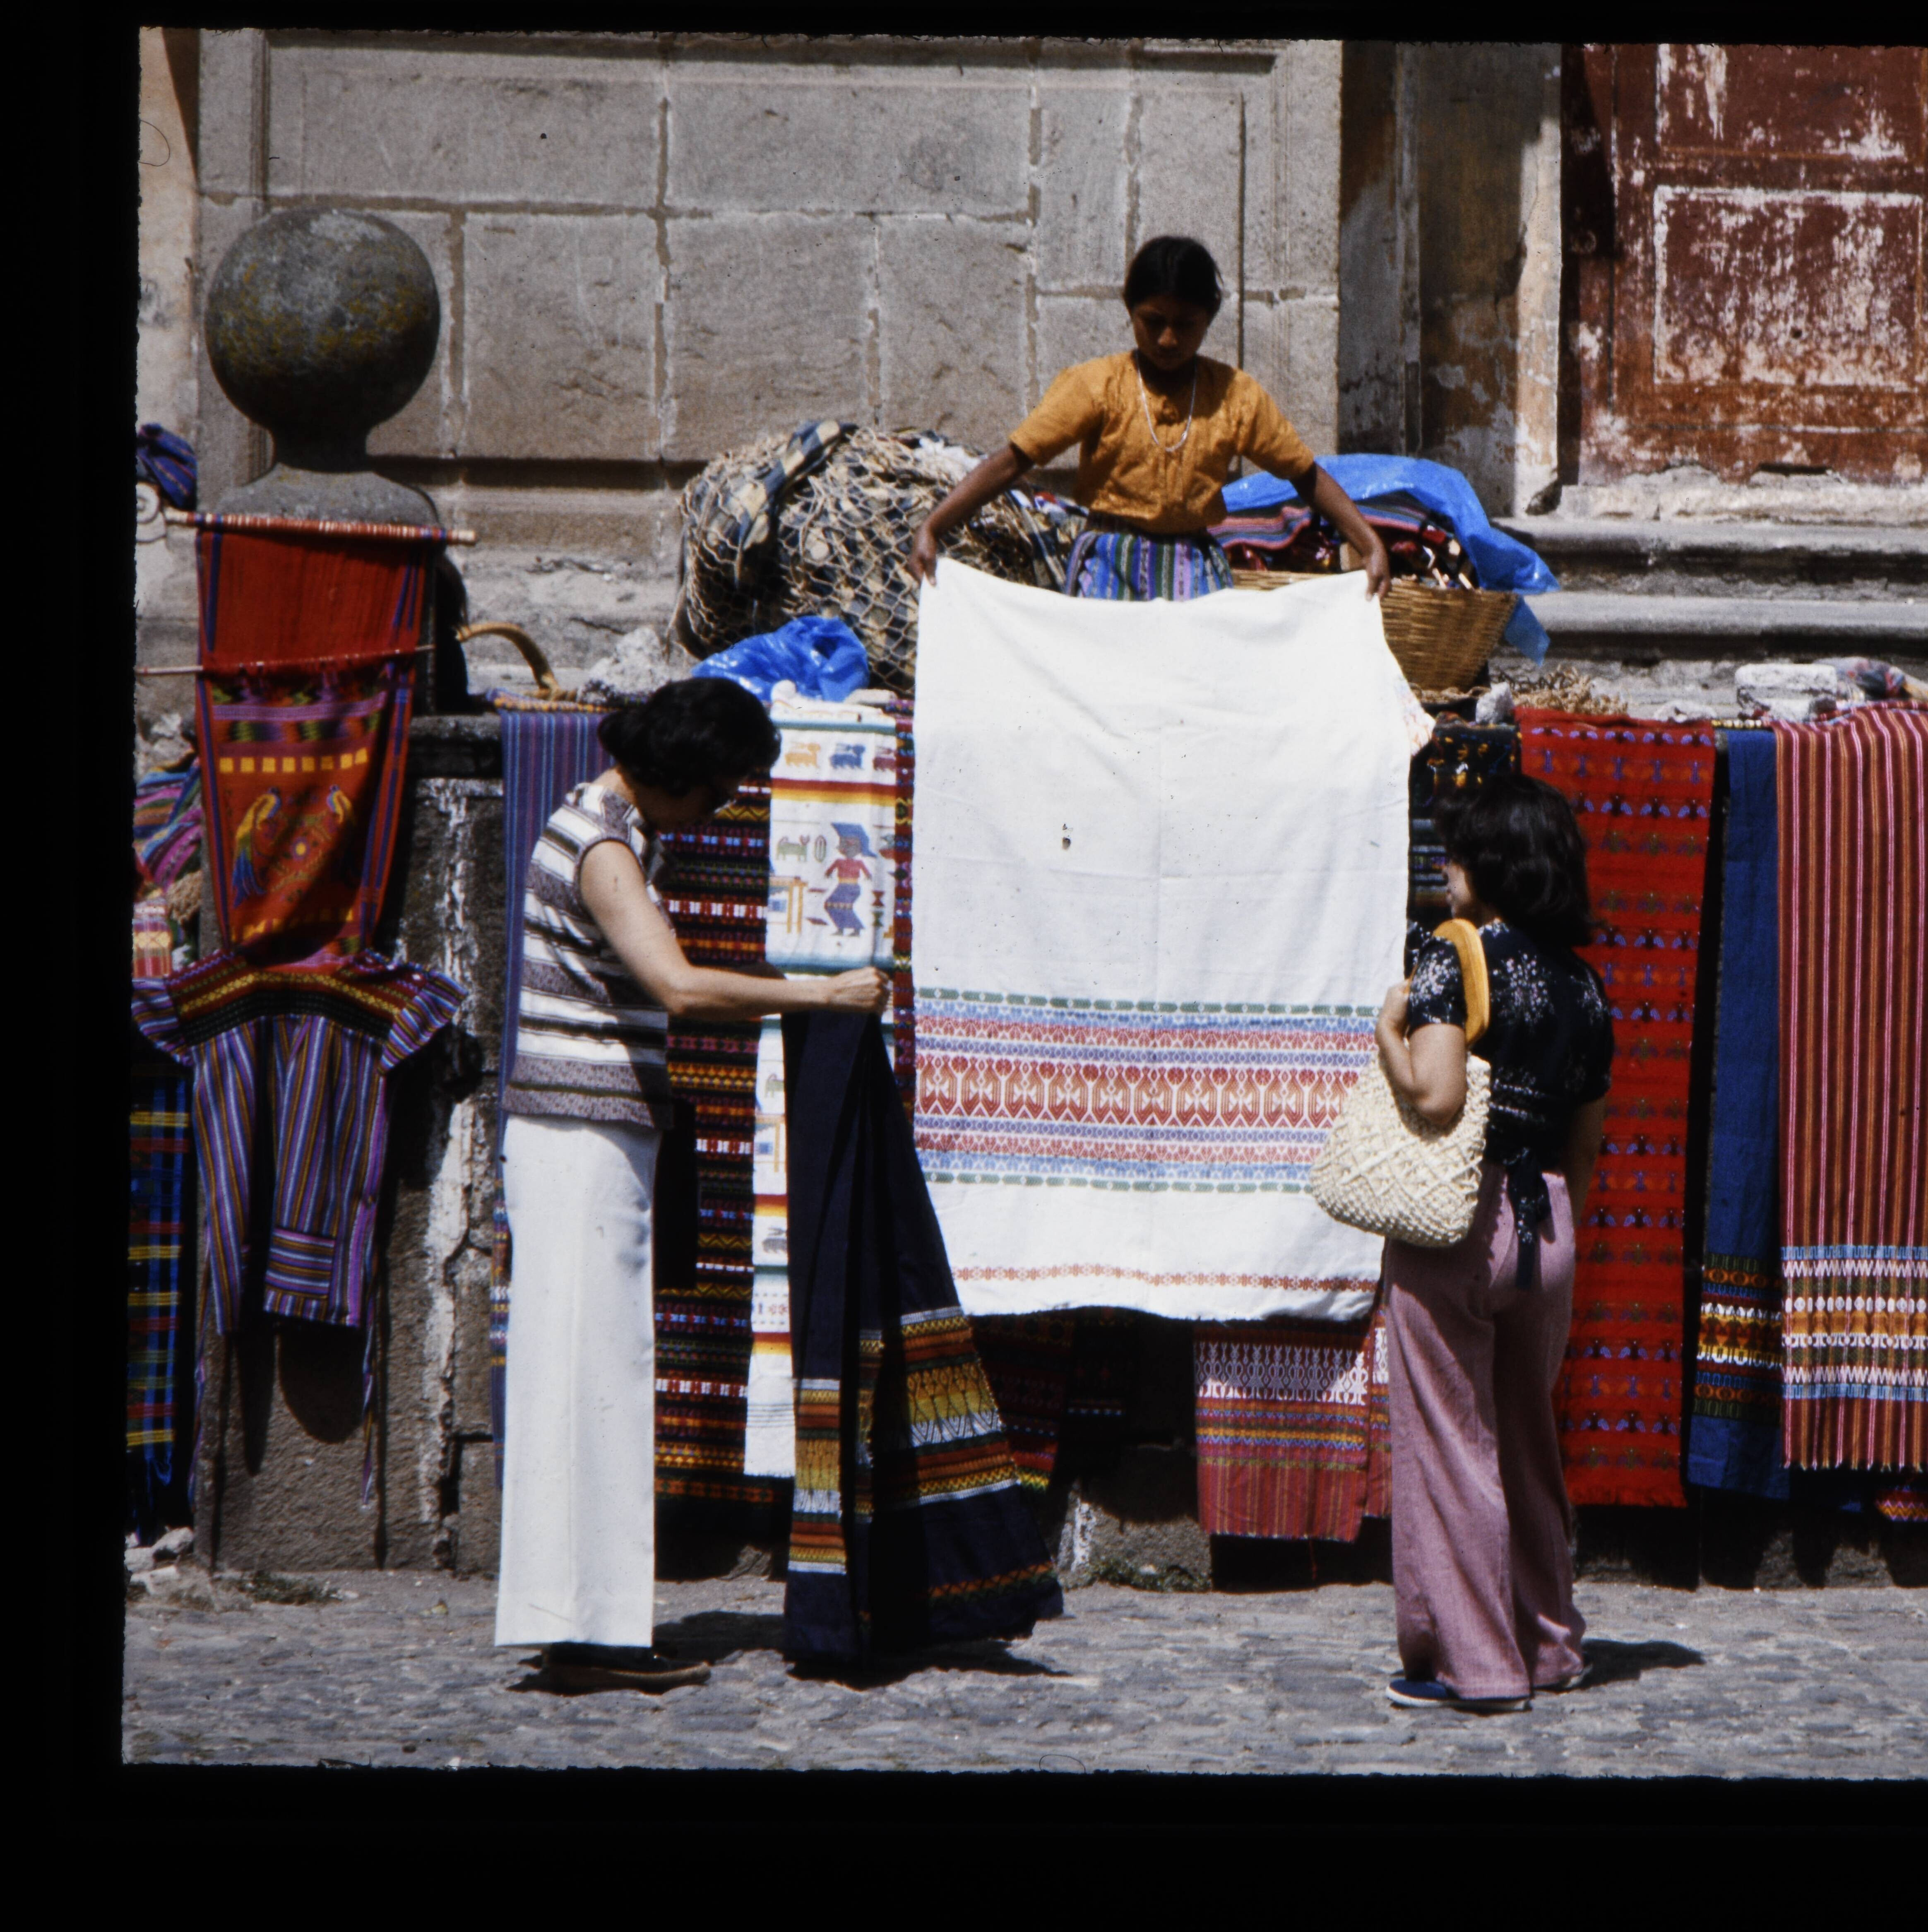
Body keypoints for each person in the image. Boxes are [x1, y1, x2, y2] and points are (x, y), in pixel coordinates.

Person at [495, 678, 889, 1693]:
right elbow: (677, 985)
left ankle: (583, 1620)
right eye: (717, 792)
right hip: (581, 1135)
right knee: (592, 1374)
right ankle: (590, 1632)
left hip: (594, 1131)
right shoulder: (604, 847)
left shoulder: (615, 828)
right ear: (676, 772)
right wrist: (821, 993)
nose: (717, 812)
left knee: (590, 1373)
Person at [1373, 774, 1613, 1714]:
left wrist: (1389, 1035)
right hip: (1547, 1220)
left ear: (1493, 864)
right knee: (1526, 1439)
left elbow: (1436, 1097)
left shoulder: (1451, 951)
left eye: (1460, 850)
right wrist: (1557, 1233)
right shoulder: (1585, 983)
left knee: (1451, 1442)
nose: (1447, 866)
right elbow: (1584, 1142)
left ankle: (1476, 1664)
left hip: (1457, 1221)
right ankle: (1550, 1646)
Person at [905, 234, 1391, 604]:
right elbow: (1014, 460)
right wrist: (935, 526)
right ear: (1129, 308)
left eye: (1186, 325)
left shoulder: (1235, 396)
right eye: (1153, 322)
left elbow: (1303, 473)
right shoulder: (1096, 385)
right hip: (1108, 564)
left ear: (1210, 316)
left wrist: (1368, 543)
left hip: (1194, 571)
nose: (1167, 340)